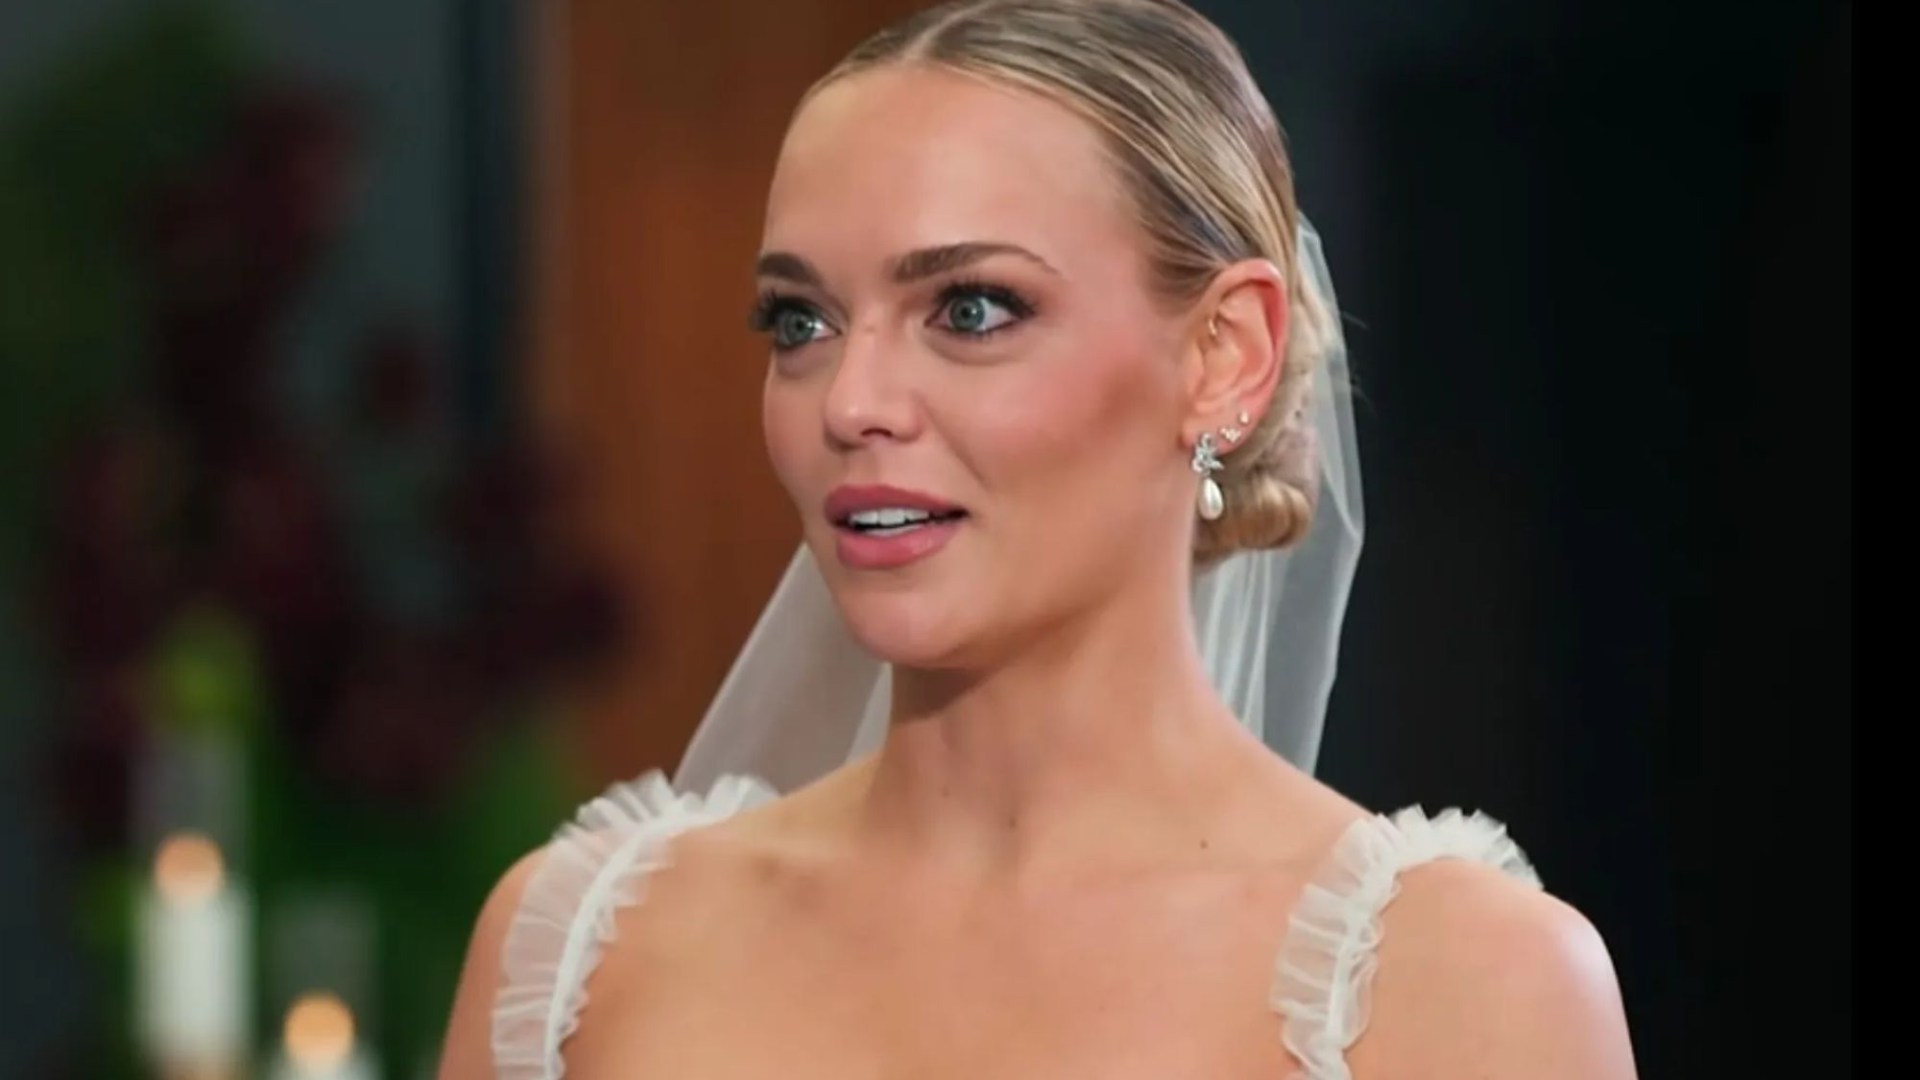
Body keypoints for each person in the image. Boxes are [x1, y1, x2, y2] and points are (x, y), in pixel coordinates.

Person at [438, 1, 1639, 1077]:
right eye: (800, 320)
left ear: (1225, 355)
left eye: (970, 309)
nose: (851, 401)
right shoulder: (583, 957)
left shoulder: (1462, 987)